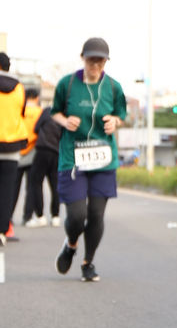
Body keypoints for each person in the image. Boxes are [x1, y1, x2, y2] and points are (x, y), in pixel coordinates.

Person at [51, 37, 127, 282]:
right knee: (76, 215)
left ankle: (88, 263)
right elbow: (54, 112)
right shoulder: (67, 85)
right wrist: (65, 121)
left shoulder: (113, 87)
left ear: (106, 62)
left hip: (103, 159)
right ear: (82, 58)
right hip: (73, 158)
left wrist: (114, 121)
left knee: (96, 215)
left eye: (100, 61)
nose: (95, 65)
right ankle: (71, 244)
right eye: (91, 60)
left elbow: (121, 115)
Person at [0, 52, 27, 247]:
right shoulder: (19, 88)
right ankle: (3, 231)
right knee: (7, 190)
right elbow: (21, 113)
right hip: (12, 146)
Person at [24, 98, 62, 226]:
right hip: (57, 152)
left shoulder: (47, 111)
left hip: (43, 150)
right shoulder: (66, 114)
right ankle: (55, 216)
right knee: (55, 184)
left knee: (36, 182)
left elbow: (36, 128)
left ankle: (40, 215)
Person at [12, 87, 41, 226]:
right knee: (31, 186)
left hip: (17, 150)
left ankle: (7, 217)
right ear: (37, 98)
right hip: (33, 152)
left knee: (12, 187)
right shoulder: (39, 112)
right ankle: (27, 217)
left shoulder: (18, 110)